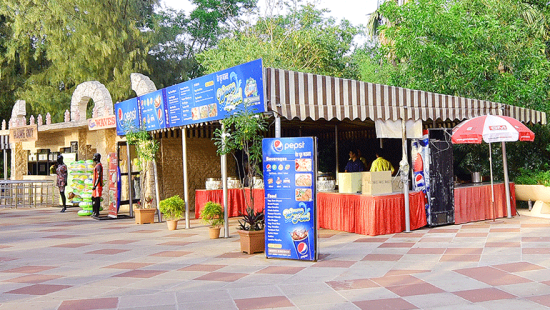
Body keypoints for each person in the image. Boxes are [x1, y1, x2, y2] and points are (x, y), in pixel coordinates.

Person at [91, 153, 103, 218]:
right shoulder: (97, 165)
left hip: (98, 186)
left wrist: (95, 185)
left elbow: (99, 176)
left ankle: (96, 212)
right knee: (94, 198)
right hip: (96, 185)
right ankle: (94, 212)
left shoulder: (98, 166)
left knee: (96, 199)